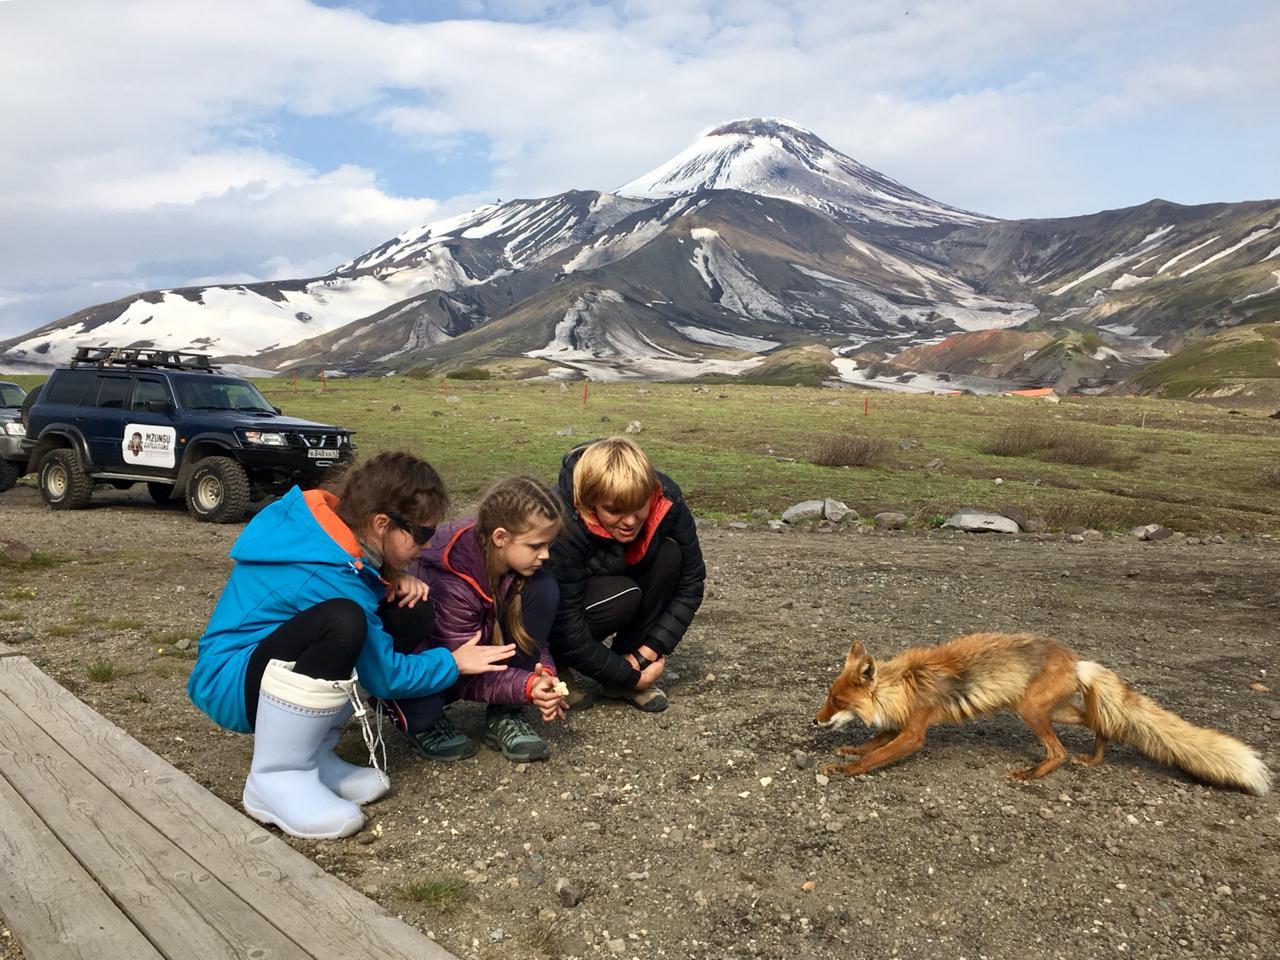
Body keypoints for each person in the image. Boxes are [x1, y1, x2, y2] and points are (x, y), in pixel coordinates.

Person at [187, 452, 513, 840]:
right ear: (381, 524)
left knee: (406, 610)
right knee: (342, 621)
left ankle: (314, 759)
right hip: (229, 684)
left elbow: (353, 583)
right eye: (423, 534)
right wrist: (454, 662)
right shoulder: (329, 574)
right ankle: (276, 777)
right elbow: (384, 677)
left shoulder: (333, 541)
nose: (427, 546)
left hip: (251, 670)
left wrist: (390, 577)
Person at [382, 476, 568, 763]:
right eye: (536, 545)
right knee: (424, 712)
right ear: (501, 538)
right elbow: (461, 670)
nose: (545, 554)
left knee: (544, 587)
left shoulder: (516, 564)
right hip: (433, 663)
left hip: (467, 657)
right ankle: (418, 717)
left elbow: (532, 640)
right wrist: (525, 687)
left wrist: (543, 676)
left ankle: (505, 713)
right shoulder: (452, 584)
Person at [546, 437, 705, 713]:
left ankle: (623, 664)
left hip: (614, 586)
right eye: (614, 510)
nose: (630, 521)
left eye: (639, 506)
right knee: (624, 597)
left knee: (670, 554)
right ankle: (554, 662)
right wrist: (630, 675)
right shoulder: (563, 519)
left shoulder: (667, 500)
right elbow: (565, 622)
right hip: (564, 614)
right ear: (590, 501)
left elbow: (692, 581)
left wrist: (645, 654)